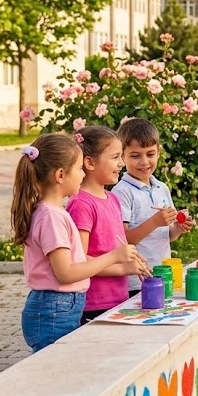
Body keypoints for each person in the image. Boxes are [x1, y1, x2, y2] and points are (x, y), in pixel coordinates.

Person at [12, 133, 140, 352]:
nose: (83, 175)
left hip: (58, 307)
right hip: (55, 309)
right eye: (80, 169)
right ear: (61, 175)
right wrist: (114, 256)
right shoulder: (51, 217)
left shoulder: (52, 212)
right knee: (57, 372)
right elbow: (66, 273)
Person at [68, 126, 150, 324]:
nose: (122, 163)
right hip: (94, 303)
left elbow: (116, 245)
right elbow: (79, 259)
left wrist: (132, 259)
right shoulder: (81, 203)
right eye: (115, 157)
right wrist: (123, 268)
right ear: (89, 163)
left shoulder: (112, 199)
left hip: (118, 299)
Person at [112, 117, 194, 297]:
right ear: (122, 155)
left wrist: (178, 228)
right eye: (135, 156)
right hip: (137, 280)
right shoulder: (122, 192)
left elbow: (168, 236)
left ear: (159, 152)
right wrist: (155, 222)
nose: (144, 162)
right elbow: (123, 240)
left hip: (164, 274)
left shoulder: (161, 188)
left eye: (150, 154)